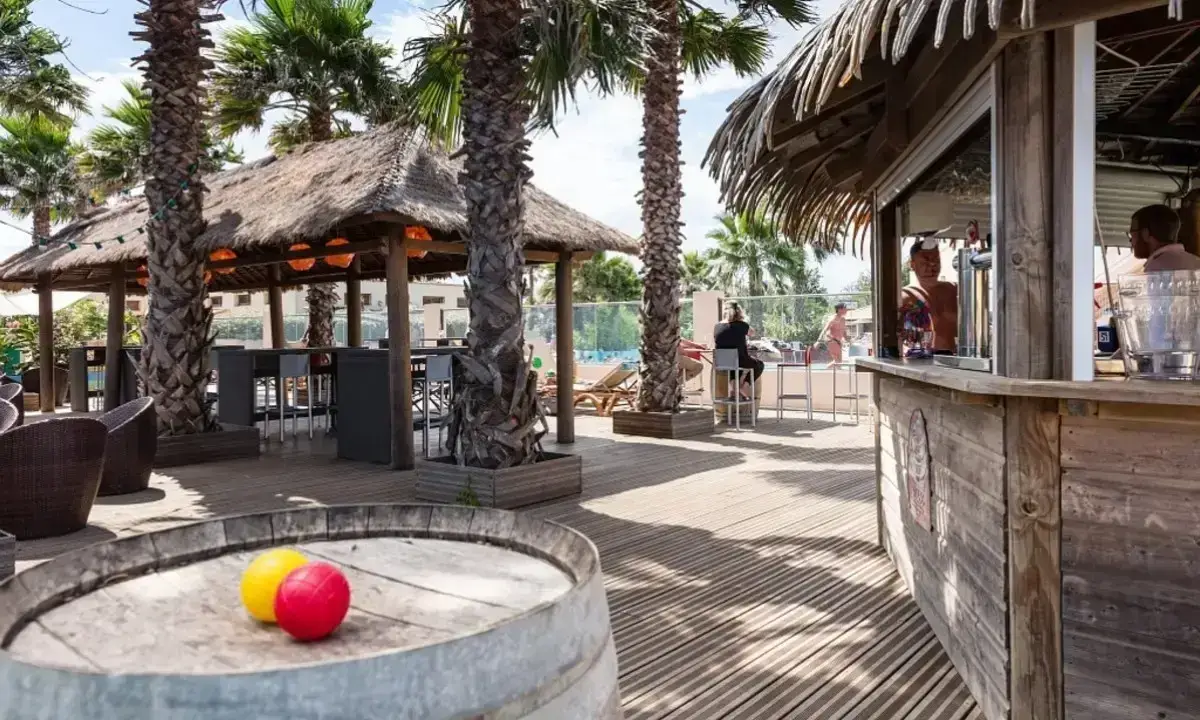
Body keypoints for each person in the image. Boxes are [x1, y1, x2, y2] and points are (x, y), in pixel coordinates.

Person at [900, 237, 958, 353]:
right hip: (921, 359)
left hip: (958, 357)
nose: (932, 264)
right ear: (912, 264)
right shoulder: (905, 296)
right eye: (925, 261)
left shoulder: (955, 290)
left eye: (936, 260)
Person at [713, 302, 763, 397]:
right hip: (740, 360)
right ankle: (744, 387)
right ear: (739, 312)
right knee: (759, 364)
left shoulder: (717, 326)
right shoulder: (741, 325)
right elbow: (752, 333)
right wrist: (741, 322)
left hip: (721, 363)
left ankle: (734, 390)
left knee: (734, 366)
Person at [1130, 204, 1200, 272]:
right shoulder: (1196, 262)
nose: (1131, 241)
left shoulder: (1156, 268)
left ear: (1145, 234)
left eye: (1132, 235)